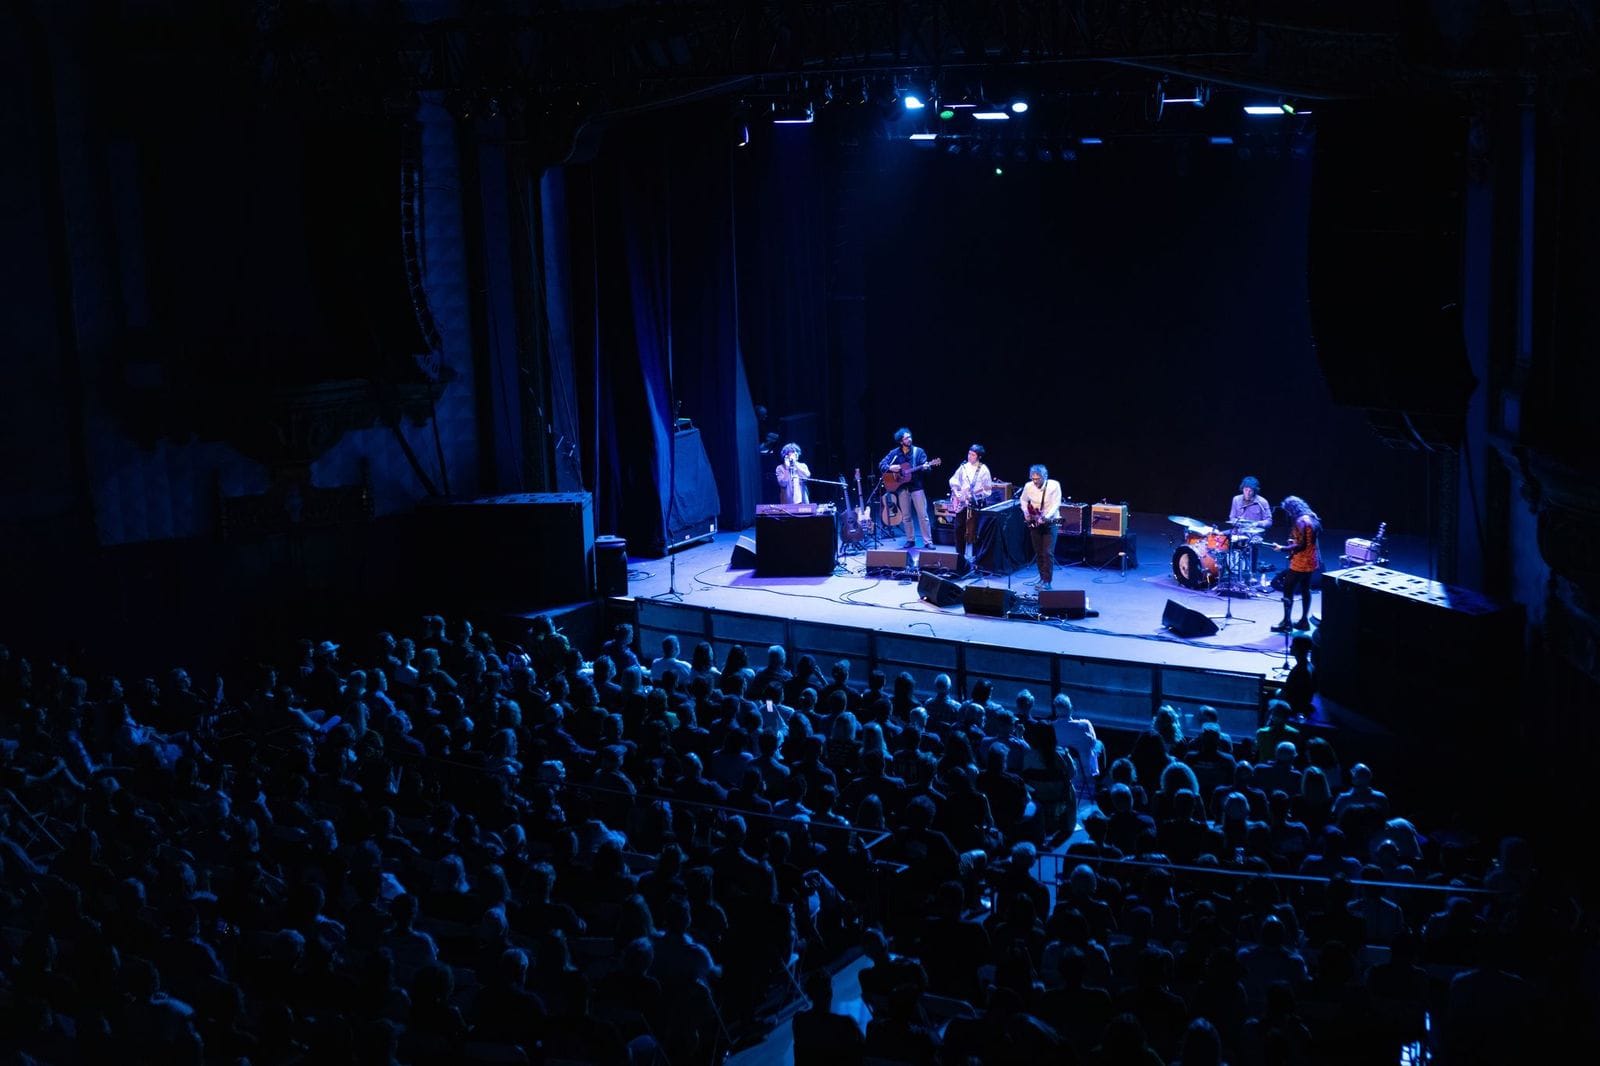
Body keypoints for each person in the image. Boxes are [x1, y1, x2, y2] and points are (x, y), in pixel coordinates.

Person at [877, 428, 935, 549]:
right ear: (900, 441)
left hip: (917, 487)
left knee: (923, 515)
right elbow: (881, 464)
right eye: (906, 438)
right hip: (902, 488)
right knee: (906, 516)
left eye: (910, 437)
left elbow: (927, 468)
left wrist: (926, 467)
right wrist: (890, 467)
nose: (910, 439)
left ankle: (928, 541)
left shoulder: (918, 452)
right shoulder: (894, 453)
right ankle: (910, 539)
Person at [1272, 495, 1321, 633]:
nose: (1287, 514)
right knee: (1306, 590)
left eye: (1287, 511)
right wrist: (1292, 543)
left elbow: (1301, 546)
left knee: (1288, 590)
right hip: (1312, 561)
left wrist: (1282, 548)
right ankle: (1304, 621)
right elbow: (1308, 542)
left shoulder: (1300, 521)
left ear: (1291, 509)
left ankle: (1286, 623)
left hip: (1300, 563)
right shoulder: (1312, 517)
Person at [947, 444, 993, 561]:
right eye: (969, 454)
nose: (969, 456)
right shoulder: (963, 467)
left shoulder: (983, 470)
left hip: (975, 504)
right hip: (962, 502)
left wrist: (976, 494)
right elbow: (953, 479)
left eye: (973, 455)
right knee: (958, 528)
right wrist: (956, 491)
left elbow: (988, 490)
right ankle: (959, 556)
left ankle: (976, 559)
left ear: (979, 457)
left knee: (974, 531)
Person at [1019, 463, 1062, 588]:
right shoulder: (1028, 486)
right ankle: (1042, 578)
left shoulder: (1054, 485)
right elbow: (1023, 499)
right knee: (1038, 552)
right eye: (1033, 479)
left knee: (1048, 552)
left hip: (1052, 521)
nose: (1035, 481)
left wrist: (1046, 517)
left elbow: (1056, 504)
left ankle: (1047, 581)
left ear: (1045, 476)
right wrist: (1025, 511)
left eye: (1038, 479)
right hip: (1034, 521)